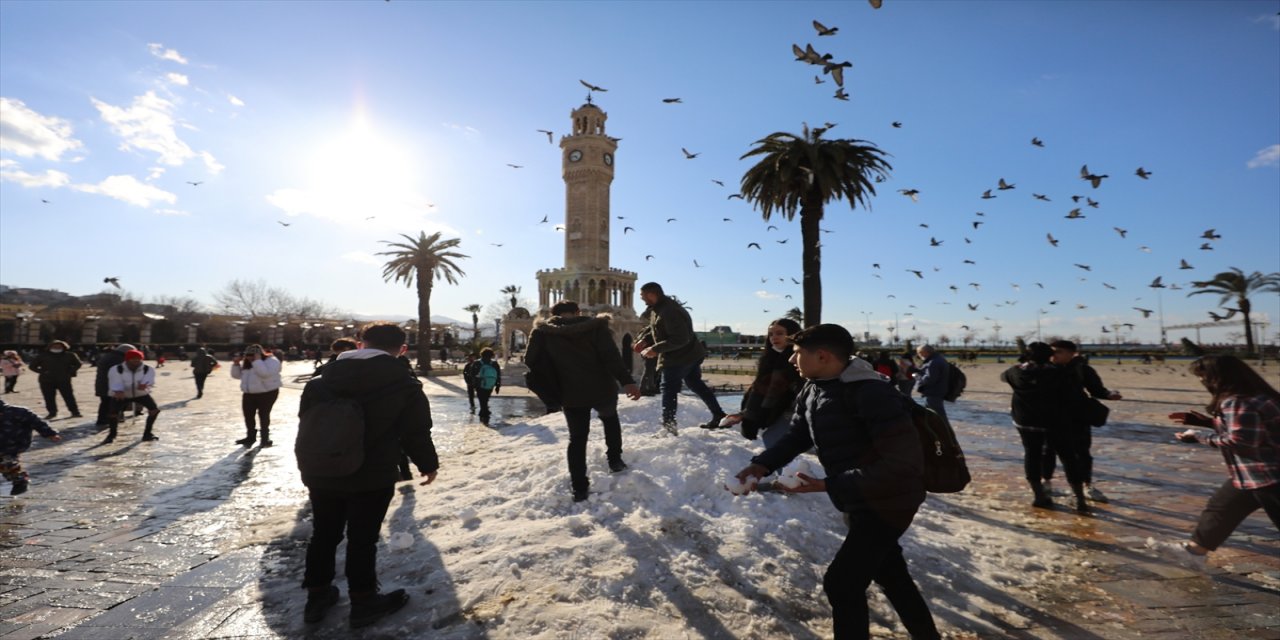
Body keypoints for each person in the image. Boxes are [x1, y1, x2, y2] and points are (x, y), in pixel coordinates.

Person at [733, 324, 939, 640]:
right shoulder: (815, 387)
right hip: (858, 497)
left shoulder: (872, 393)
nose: (791, 361)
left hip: (890, 501)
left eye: (798, 354)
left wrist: (828, 484)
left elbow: (902, 464)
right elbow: (798, 435)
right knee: (891, 574)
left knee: (842, 583)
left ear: (824, 356)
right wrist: (762, 464)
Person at [298, 321, 438, 628]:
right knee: (362, 539)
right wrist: (427, 464)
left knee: (324, 533)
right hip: (371, 474)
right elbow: (415, 432)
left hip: (323, 469)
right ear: (402, 350)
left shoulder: (321, 379)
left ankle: (317, 596)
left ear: (360, 344)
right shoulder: (405, 385)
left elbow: (306, 420)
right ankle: (363, 601)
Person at [525, 301, 642, 502]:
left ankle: (579, 487)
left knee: (577, 439)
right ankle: (614, 460)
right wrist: (628, 382)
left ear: (554, 315)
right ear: (578, 312)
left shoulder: (542, 333)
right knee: (610, 420)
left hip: (570, 392)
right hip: (602, 388)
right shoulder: (597, 328)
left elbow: (530, 360)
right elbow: (611, 357)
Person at [1169, 355, 1279, 560]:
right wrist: (1207, 422)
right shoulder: (1258, 395)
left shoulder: (1237, 401)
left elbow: (1242, 441)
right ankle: (1193, 552)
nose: (1202, 381)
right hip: (1251, 473)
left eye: (1204, 376)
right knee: (1221, 509)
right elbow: (1252, 428)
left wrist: (1199, 437)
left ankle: (1194, 551)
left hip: (1269, 476)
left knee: (1222, 510)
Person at [1001, 342, 1090, 511]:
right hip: (1056, 422)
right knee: (1068, 457)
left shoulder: (1015, 372)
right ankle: (1079, 499)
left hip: (1026, 422)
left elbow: (1003, 376)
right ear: (1050, 356)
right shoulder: (1059, 373)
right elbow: (1071, 395)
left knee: (1032, 454)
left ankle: (1039, 496)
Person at [637, 282, 726, 435]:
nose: (642, 299)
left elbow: (680, 338)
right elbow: (657, 328)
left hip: (680, 357)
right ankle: (718, 415)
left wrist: (655, 349)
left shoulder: (670, 311)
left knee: (668, 389)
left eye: (643, 296)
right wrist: (645, 339)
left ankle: (669, 427)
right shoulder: (659, 308)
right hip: (690, 354)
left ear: (652, 295)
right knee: (695, 383)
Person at [1049, 340, 1122, 504]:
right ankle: (1046, 484)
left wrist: (1109, 394)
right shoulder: (1045, 369)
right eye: (1052, 351)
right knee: (1047, 453)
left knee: (1081, 453)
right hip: (1051, 418)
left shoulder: (1082, 369)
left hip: (1077, 417)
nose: (1053, 355)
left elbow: (1096, 389)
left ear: (1071, 353)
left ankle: (1086, 486)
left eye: (1058, 351)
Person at [719, 318, 803, 447]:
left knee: (772, 440)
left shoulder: (799, 359)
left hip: (798, 411)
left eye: (780, 333)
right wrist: (744, 414)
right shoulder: (771, 359)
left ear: (792, 335)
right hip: (786, 412)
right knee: (773, 441)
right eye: (771, 334)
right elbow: (761, 391)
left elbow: (777, 391)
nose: (774, 337)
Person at [0, 398, 62, 495]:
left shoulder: (18, 412)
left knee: (7, 462)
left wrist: (50, 434)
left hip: (16, 444)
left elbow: (37, 422)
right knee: (4, 464)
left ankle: (20, 481)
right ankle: (17, 480)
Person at [230, 344, 283, 448]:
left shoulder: (272, 361)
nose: (249, 357)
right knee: (248, 416)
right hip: (249, 394)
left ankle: (265, 438)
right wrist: (236, 364)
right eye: (247, 355)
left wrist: (257, 361)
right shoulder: (249, 362)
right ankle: (250, 437)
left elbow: (264, 374)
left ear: (259, 354)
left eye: (251, 355)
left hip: (267, 393)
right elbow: (237, 376)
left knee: (263, 415)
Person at [105, 349, 160, 443]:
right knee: (113, 413)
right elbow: (114, 380)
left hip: (140, 393)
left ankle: (147, 433)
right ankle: (112, 434)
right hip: (122, 394)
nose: (136, 361)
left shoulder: (147, 369)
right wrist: (118, 390)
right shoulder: (117, 368)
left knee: (154, 410)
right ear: (127, 360)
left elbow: (150, 379)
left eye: (138, 359)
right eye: (133, 359)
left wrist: (145, 384)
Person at [30, 341, 83, 419]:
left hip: (64, 379)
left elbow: (78, 364)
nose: (57, 348)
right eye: (54, 346)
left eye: (59, 346)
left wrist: (70, 371)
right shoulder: (43, 356)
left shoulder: (70, 355)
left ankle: (75, 412)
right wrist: (42, 372)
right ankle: (52, 412)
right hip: (46, 380)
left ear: (64, 347)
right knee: (49, 397)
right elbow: (32, 366)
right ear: (50, 347)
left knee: (68, 396)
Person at [93, 344, 134, 427]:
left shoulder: (109, 356)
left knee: (106, 402)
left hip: (104, 384)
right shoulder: (118, 359)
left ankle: (103, 419)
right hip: (112, 385)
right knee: (114, 403)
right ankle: (108, 419)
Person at [913, 345, 950, 427]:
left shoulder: (933, 362)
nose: (919, 355)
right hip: (937, 391)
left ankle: (947, 435)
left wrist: (917, 377)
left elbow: (929, 379)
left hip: (933, 392)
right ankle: (934, 435)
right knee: (930, 415)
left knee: (939, 416)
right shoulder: (938, 359)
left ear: (926, 352)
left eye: (919, 353)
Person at [474, 348, 501, 424]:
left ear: (481, 354)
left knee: (482, 399)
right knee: (486, 398)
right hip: (490, 384)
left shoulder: (477, 363)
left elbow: (473, 374)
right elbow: (498, 375)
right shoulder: (494, 363)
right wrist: (497, 386)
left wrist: (474, 385)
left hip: (480, 384)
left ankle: (484, 413)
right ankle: (485, 412)